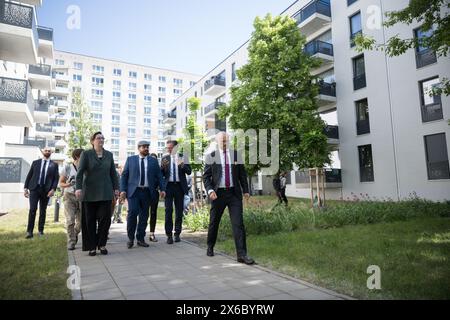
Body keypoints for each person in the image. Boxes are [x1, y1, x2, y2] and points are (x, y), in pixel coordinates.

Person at [203, 132, 255, 265]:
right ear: (217, 142)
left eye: (227, 141)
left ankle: (242, 255)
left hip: (234, 194)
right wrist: (210, 191)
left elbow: (242, 175)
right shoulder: (211, 156)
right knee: (214, 222)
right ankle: (210, 246)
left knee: (238, 224)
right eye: (222, 141)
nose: (225, 144)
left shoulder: (236, 154)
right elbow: (206, 177)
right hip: (217, 194)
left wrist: (246, 191)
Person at [75, 132, 119, 257]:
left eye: (102, 138)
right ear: (92, 141)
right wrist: (78, 188)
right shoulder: (86, 154)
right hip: (89, 192)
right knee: (90, 221)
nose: (101, 140)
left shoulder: (109, 155)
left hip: (105, 192)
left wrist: (116, 188)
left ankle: (102, 244)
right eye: (98, 138)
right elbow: (80, 172)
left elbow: (113, 174)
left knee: (105, 220)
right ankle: (92, 246)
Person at [120, 142, 165, 249]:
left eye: (147, 147)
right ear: (138, 148)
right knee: (133, 212)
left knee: (144, 216)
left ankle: (140, 238)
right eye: (144, 147)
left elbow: (159, 176)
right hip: (133, 192)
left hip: (147, 192)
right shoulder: (131, 160)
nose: (146, 148)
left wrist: (163, 189)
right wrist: (123, 190)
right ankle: (130, 238)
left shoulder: (153, 161)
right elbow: (124, 176)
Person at [24, 147, 59, 239]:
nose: (47, 152)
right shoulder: (35, 163)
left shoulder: (54, 165)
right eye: (46, 150)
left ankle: (40, 231)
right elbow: (29, 175)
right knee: (32, 210)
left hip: (46, 190)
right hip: (34, 189)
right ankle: (29, 232)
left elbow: (56, 179)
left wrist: (53, 189)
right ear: (43, 151)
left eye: (49, 151)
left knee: (43, 211)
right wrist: (25, 188)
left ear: (51, 152)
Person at [161, 140, 191, 244]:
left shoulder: (183, 157)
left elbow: (189, 171)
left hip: (179, 187)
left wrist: (182, 165)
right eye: (167, 148)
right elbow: (161, 174)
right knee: (168, 210)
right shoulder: (165, 158)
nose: (168, 150)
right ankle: (169, 235)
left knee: (179, 211)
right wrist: (163, 167)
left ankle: (177, 233)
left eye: (170, 148)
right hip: (168, 187)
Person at [59, 149, 84, 250]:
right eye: (83, 155)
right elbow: (61, 183)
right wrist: (68, 184)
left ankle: (75, 233)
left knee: (81, 221)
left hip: (82, 197)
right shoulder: (68, 167)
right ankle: (71, 241)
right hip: (69, 196)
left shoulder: (86, 168)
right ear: (77, 157)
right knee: (70, 220)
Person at [148, 153, 160, 242]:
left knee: (153, 213)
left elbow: (161, 180)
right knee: (143, 214)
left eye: (155, 160)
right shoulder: (144, 169)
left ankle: (152, 233)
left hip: (154, 194)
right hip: (144, 193)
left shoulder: (158, 170)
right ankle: (140, 234)